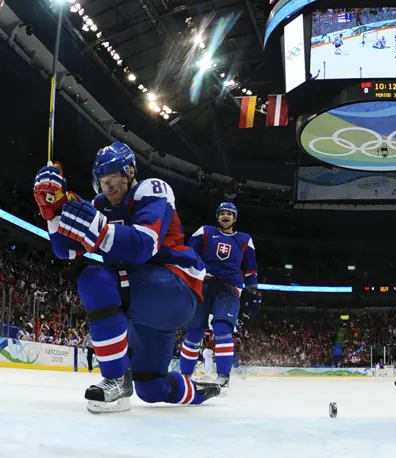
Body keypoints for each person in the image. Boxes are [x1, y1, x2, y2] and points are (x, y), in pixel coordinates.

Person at [32, 142, 220, 413]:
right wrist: (53, 210)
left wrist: (90, 224)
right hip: (145, 300)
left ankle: (115, 379)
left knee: (95, 280)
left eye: (113, 179)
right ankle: (200, 391)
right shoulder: (100, 205)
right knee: (152, 387)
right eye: (102, 181)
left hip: (176, 286)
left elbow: (142, 245)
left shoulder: (153, 189)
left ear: (130, 172)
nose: (107, 187)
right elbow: (66, 250)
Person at [178, 202, 261, 391]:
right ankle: (185, 378)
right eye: (222, 213)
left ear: (235, 218)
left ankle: (223, 377)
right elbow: (189, 256)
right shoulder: (205, 232)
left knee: (223, 329)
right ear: (217, 217)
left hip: (229, 288)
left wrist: (254, 292)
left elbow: (250, 270)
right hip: (204, 284)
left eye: (229, 214)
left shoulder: (244, 240)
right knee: (194, 332)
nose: (225, 216)